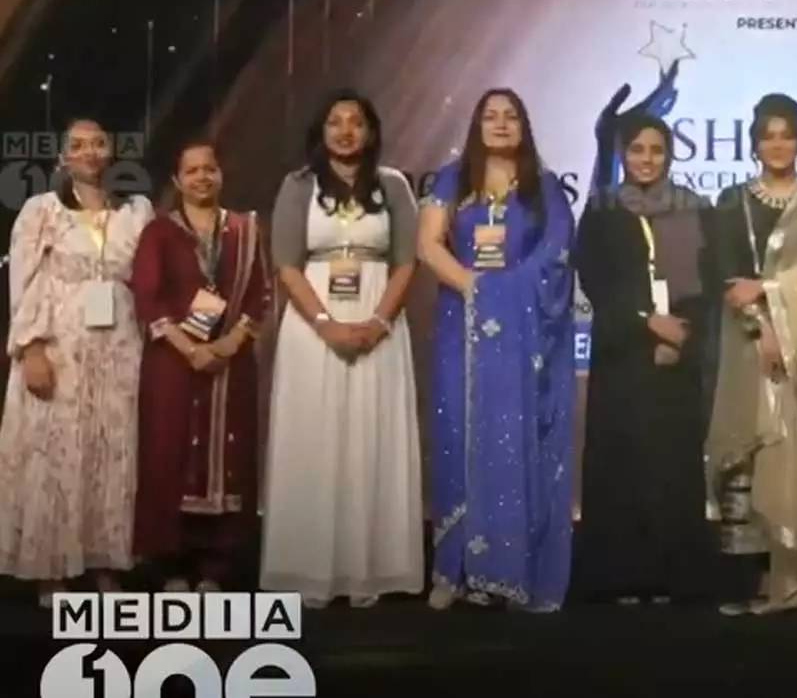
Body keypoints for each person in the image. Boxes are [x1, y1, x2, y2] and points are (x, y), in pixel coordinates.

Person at [260, 89, 425, 608]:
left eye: (356, 122)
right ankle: (311, 570)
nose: (346, 131)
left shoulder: (393, 184)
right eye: (335, 122)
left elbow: (406, 262)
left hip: (380, 320)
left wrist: (378, 321)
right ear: (321, 131)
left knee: (372, 434)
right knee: (316, 435)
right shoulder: (298, 185)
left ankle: (369, 573)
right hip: (313, 325)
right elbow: (286, 263)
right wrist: (326, 324)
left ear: (371, 131)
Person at [417, 88, 577, 612]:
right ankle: (453, 571)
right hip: (462, 321)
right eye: (491, 116)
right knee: (459, 434)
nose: (501, 124)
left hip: (520, 336)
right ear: (477, 124)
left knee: (512, 437)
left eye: (511, 116)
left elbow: (557, 251)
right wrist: (474, 286)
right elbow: (427, 244)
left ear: (524, 126)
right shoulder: (452, 179)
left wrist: (507, 290)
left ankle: (510, 572)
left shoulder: (543, 187)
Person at [0, 118, 155, 606]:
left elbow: (151, 279)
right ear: (64, 158)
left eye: (98, 143)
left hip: (119, 350)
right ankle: (51, 569)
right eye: (79, 145)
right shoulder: (41, 211)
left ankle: (104, 563)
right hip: (60, 347)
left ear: (111, 152)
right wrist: (31, 348)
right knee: (56, 456)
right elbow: (24, 281)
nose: (89, 151)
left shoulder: (136, 212)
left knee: (111, 454)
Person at [706, 93, 797, 616]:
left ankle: (793, 575)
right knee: (749, 454)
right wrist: (761, 327)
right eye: (768, 135)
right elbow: (726, 276)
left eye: (787, 134)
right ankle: (754, 579)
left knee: (796, 450)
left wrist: (772, 304)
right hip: (746, 347)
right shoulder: (731, 201)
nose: (778, 144)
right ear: (754, 143)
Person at [575, 113, 714, 604]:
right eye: (636, 149)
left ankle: (674, 577)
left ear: (670, 155)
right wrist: (646, 322)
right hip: (623, 354)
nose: (647, 160)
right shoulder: (604, 210)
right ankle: (621, 578)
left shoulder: (695, 208)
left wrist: (681, 334)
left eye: (656, 150)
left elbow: (710, 279)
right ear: (623, 154)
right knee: (622, 464)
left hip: (679, 354)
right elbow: (594, 279)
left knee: (672, 464)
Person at [132, 139, 269, 591]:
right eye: (191, 171)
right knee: (170, 456)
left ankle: (217, 567)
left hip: (231, 366)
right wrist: (190, 349)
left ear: (221, 174)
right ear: (177, 180)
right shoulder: (159, 232)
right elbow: (147, 297)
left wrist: (228, 344)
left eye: (209, 169)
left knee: (229, 457)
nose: (202, 178)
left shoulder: (246, 230)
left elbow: (260, 294)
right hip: (173, 365)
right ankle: (172, 566)